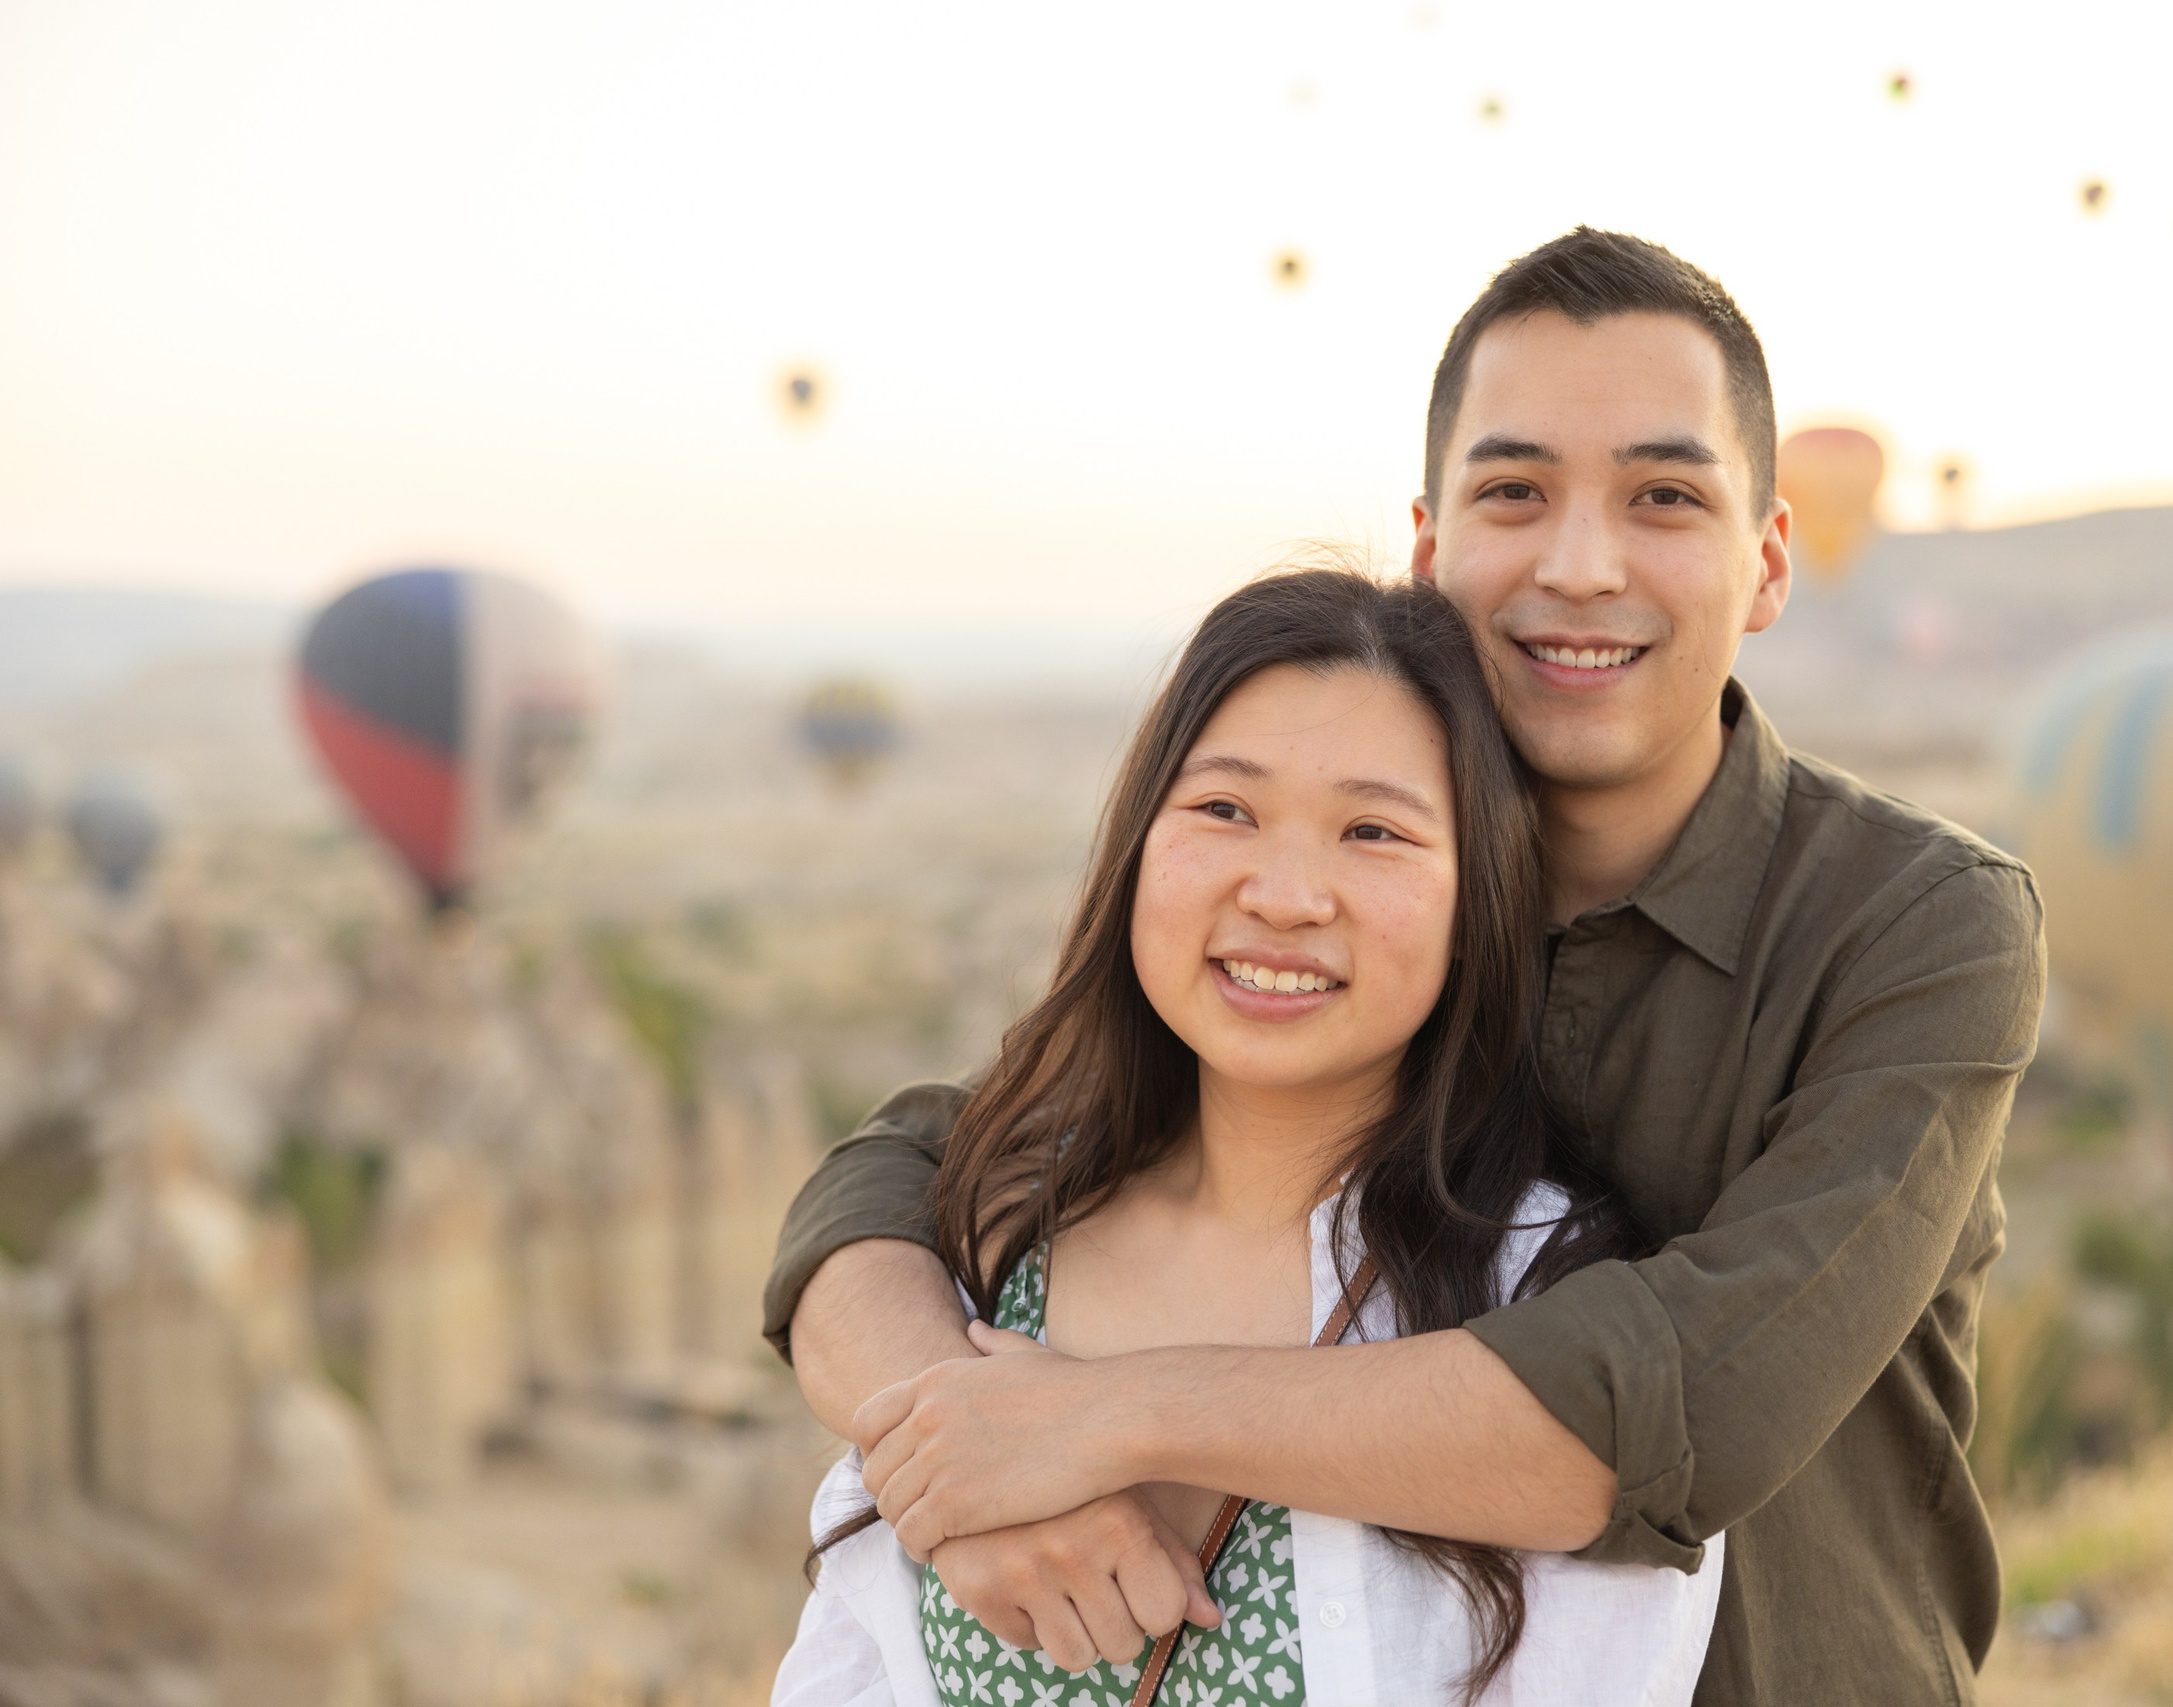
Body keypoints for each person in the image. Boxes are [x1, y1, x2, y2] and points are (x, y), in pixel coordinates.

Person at [767, 228, 2046, 1706]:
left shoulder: (1915, 921)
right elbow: (903, 1165)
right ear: (1431, 549)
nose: (1581, 562)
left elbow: (1681, 1403)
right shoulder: (1349, 913)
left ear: (1769, 561)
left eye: (1665, 497)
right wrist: (956, 1459)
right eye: (1517, 493)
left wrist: (1098, 1418)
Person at [773, 569, 1723, 1705]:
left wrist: (1097, 1427)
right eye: (1224, 810)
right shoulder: (979, 1252)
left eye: (1373, 831)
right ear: (1136, 847)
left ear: (1480, 903)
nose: (1284, 895)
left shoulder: (1545, 1304)